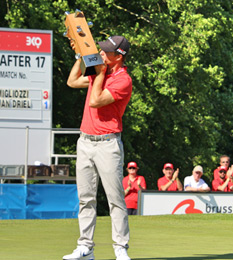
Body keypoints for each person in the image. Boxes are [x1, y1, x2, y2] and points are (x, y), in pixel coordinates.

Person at [63, 35, 132, 260]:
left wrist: (99, 74)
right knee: (86, 198)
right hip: (85, 142)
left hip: (108, 144)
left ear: (118, 57)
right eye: (101, 49)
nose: (101, 53)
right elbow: (72, 81)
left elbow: (95, 100)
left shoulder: (123, 80)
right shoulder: (98, 72)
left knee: (115, 199)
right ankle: (85, 247)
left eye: (106, 51)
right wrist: (80, 56)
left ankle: (120, 248)